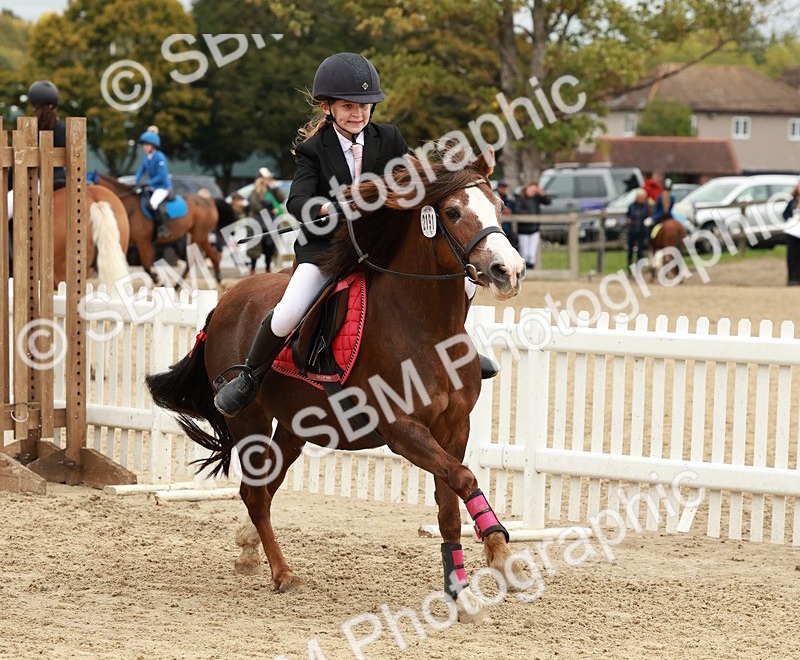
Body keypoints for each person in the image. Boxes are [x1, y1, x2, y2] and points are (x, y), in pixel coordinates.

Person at [213, 51, 497, 418]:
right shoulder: (313, 149)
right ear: (328, 107)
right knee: (287, 312)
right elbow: (297, 200)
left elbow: (415, 174)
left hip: (382, 245)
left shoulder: (389, 138)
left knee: (464, 281)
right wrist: (326, 208)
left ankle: (458, 344)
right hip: (330, 250)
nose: (358, 114)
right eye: (348, 106)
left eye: (365, 106)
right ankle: (250, 375)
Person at [8, 79, 66, 221]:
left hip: (39, 182)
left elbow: (17, 164)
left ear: (34, 105)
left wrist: (9, 185)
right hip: (66, 180)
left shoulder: (30, 131)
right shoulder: (65, 128)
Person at [134, 126, 172, 237]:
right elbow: (140, 171)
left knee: (153, 203)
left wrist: (147, 183)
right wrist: (136, 182)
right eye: (144, 145)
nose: (144, 147)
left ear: (153, 146)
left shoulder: (160, 157)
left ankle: (163, 227)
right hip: (153, 186)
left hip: (163, 187)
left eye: (147, 145)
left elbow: (162, 176)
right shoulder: (147, 158)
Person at [515, 181, 551, 270]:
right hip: (523, 230)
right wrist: (528, 214)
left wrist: (542, 193)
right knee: (525, 253)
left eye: (534, 191)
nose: (532, 193)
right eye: (532, 190)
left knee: (531, 254)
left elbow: (548, 202)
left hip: (534, 229)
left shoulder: (536, 198)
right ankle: (524, 270)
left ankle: (531, 270)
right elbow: (517, 210)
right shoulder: (520, 198)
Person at [626, 188, 651, 269]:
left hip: (642, 232)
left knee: (640, 252)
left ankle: (638, 269)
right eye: (639, 197)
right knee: (630, 251)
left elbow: (648, 218)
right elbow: (628, 216)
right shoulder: (631, 206)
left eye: (642, 197)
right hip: (632, 231)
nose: (641, 199)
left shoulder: (646, 207)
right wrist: (628, 220)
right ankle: (630, 269)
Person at [782, 180, 800, 285]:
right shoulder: (794, 200)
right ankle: (792, 279)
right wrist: (791, 219)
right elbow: (785, 214)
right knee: (792, 256)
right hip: (792, 232)